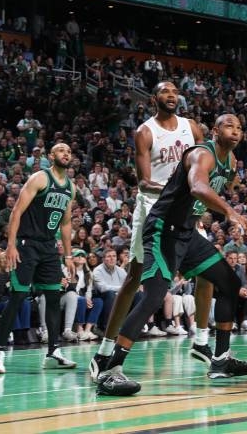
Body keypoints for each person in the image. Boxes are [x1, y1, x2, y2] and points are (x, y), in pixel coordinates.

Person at [94, 115, 247, 397]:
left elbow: (219, 188)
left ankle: (220, 360)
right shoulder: (201, 154)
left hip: (187, 233)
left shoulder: (230, 163)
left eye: (240, 127)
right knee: (154, 297)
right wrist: (230, 212)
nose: (236, 130)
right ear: (216, 131)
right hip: (162, 229)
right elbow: (197, 187)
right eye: (230, 125)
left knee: (230, 284)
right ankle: (110, 370)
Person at [91, 82, 212, 380]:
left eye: (174, 92)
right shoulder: (145, 132)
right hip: (153, 208)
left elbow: (205, 167)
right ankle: (105, 351)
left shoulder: (192, 128)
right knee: (135, 277)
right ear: (154, 99)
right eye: (165, 92)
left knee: (208, 269)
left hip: (183, 211)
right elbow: (143, 182)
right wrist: (179, 190)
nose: (171, 95)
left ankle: (202, 341)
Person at [0, 143, 77, 374]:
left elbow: (66, 223)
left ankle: (54, 350)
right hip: (27, 245)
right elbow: (16, 211)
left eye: (68, 151)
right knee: (18, 296)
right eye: (61, 151)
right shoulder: (40, 178)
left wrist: (68, 255)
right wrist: (10, 246)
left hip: (49, 247)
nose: (65, 154)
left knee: (54, 298)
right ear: (51, 156)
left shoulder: (70, 188)